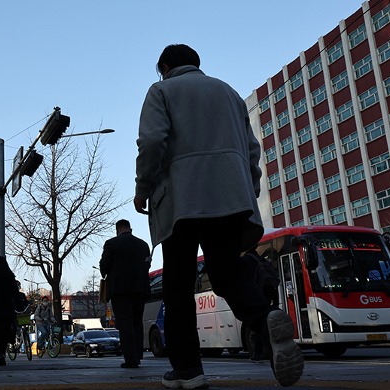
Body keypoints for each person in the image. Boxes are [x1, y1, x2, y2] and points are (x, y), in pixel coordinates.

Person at [134, 44, 304, 388]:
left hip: (182, 199)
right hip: (230, 193)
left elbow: (152, 141)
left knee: (178, 284)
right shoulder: (228, 92)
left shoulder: (162, 90)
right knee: (226, 273)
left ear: (165, 66)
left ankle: (188, 369)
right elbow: (252, 148)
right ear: (196, 64)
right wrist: (249, 188)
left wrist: (143, 187)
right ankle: (264, 316)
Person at [99, 219, 151, 368]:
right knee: (137, 322)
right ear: (130, 229)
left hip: (120, 290)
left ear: (117, 230)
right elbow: (147, 265)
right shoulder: (143, 245)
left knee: (125, 323)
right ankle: (138, 355)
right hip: (140, 289)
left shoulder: (111, 243)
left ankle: (130, 359)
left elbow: (104, 266)